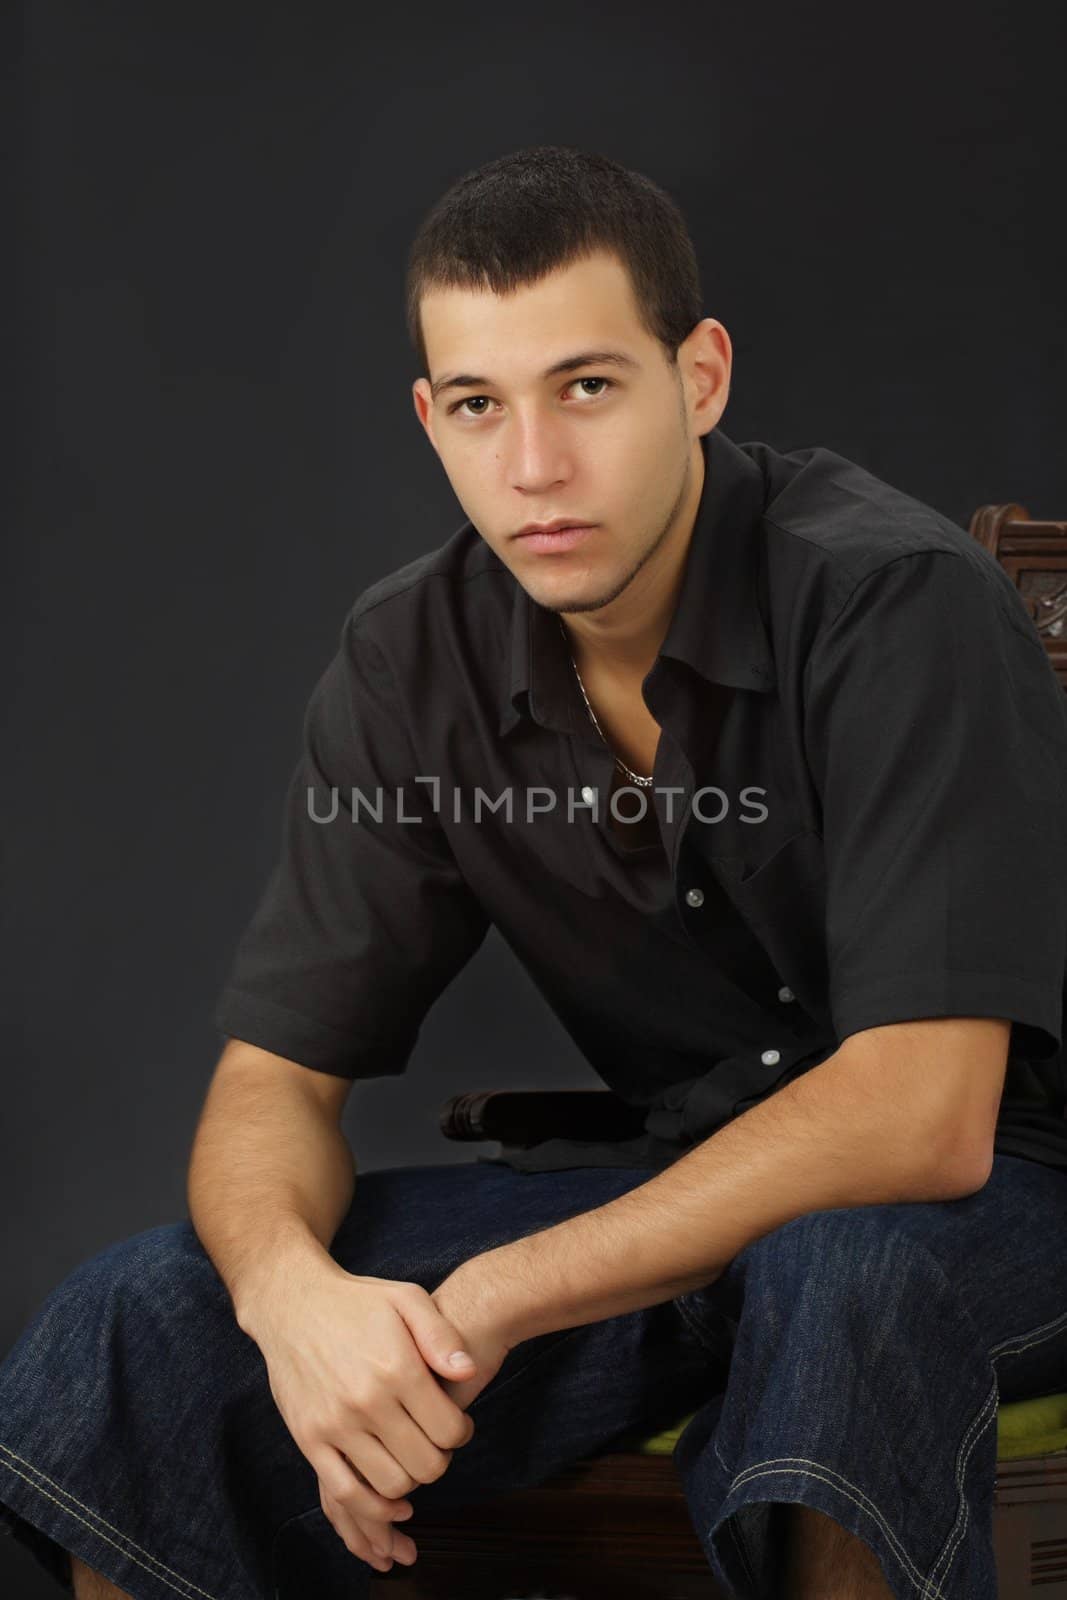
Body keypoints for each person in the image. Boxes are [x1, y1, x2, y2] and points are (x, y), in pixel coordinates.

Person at [2, 143, 1066, 1600]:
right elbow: (272, 1087)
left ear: (699, 377)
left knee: (848, 1280)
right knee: (143, 1316)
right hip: (684, 1190)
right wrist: (293, 1299)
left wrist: (500, 1294)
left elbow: (923, 1119)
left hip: (1003, 1198)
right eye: (480, 407)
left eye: (587, 388)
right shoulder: (411, 659)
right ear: (431, 418)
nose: (534, 469)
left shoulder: (891, 599)